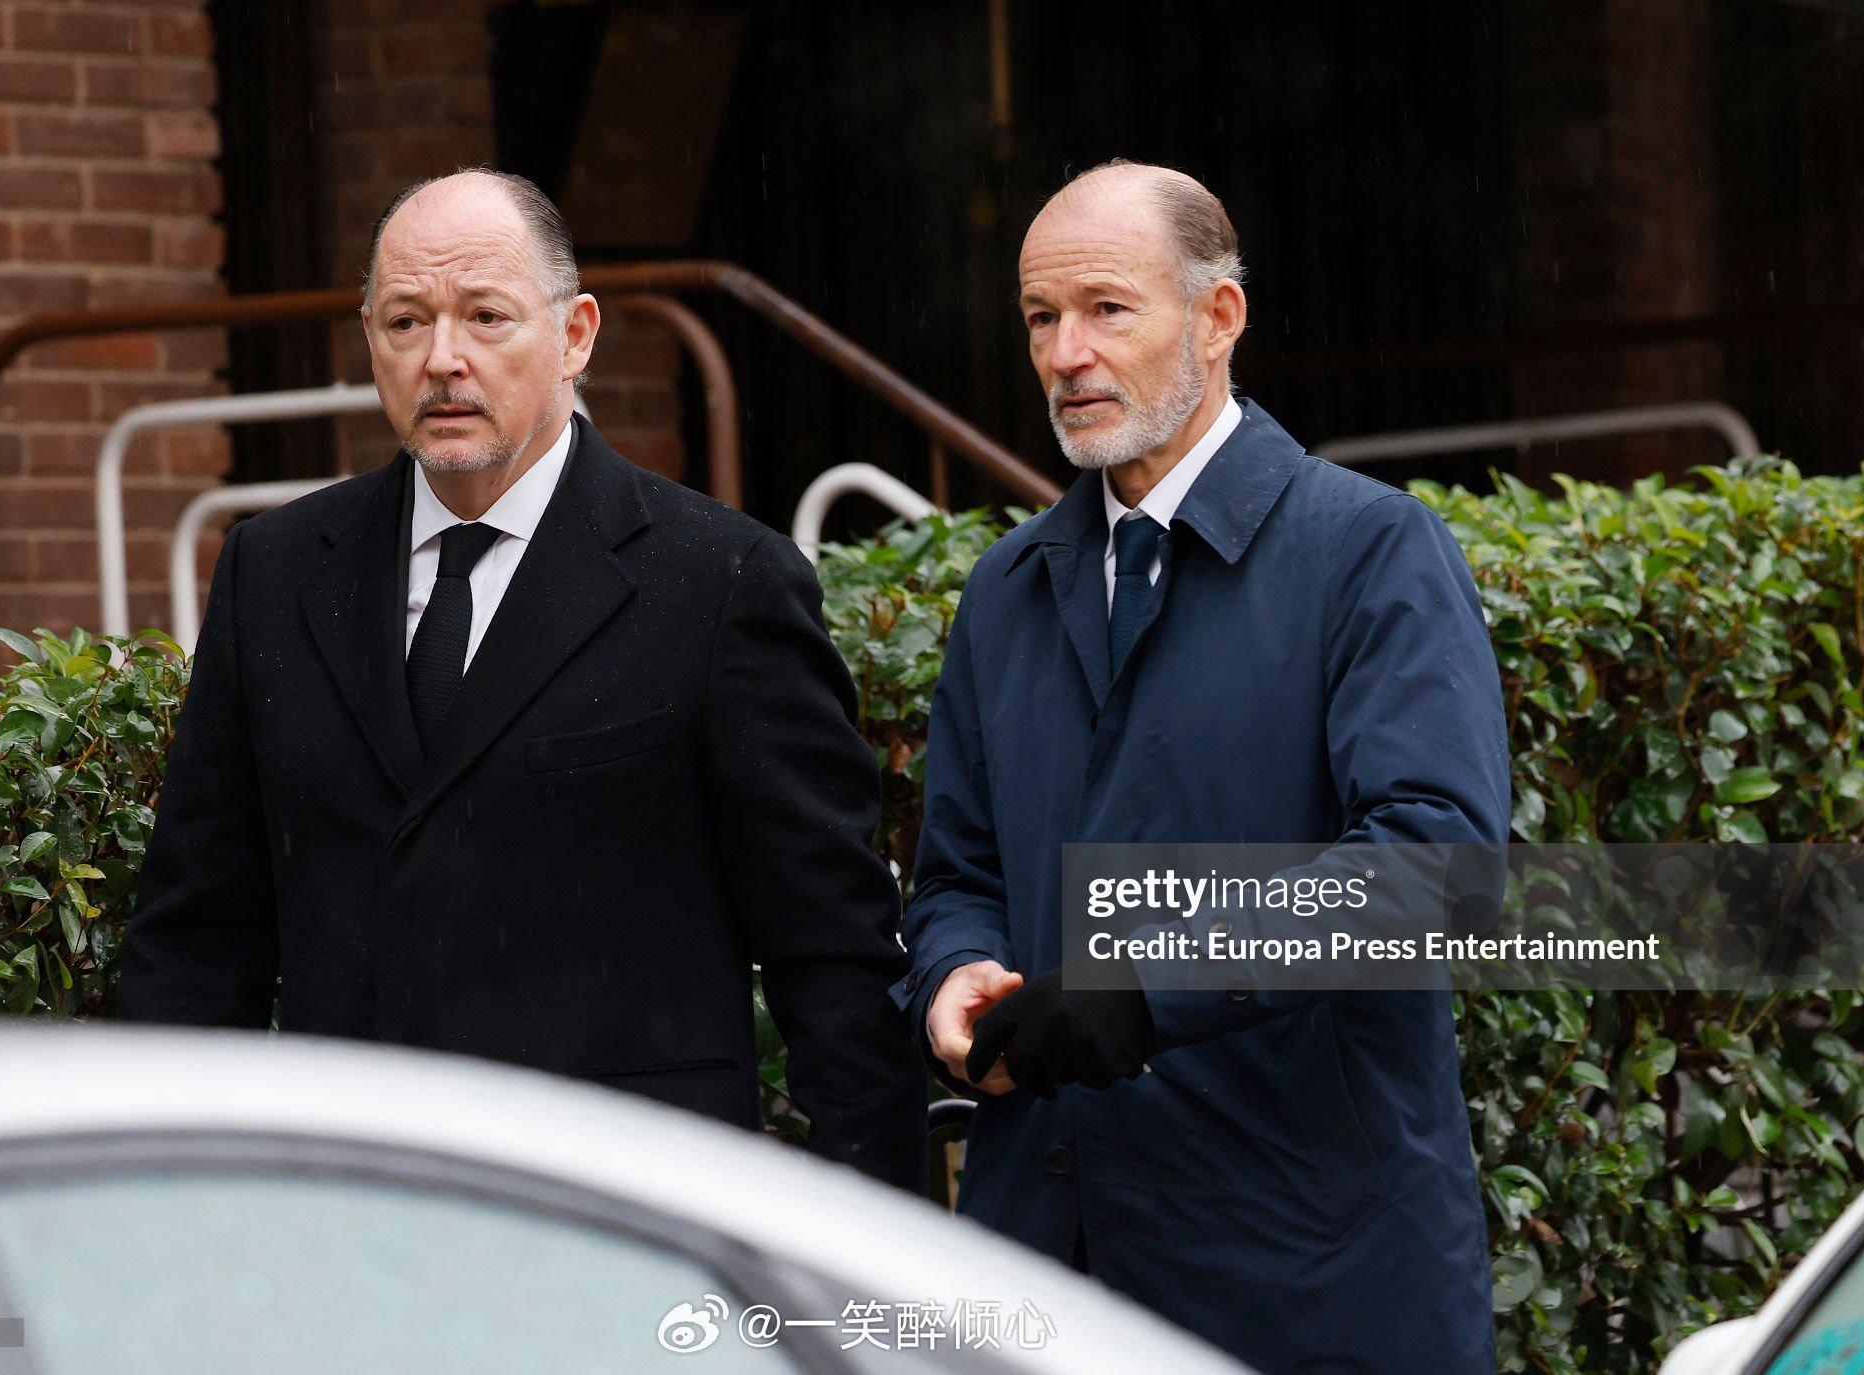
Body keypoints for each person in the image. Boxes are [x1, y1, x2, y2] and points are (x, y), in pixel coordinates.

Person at [119, 169, 926, 1193]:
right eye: (406, 321)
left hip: (623, 1210)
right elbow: (197, 938)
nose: (441, 359)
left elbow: (833, 953)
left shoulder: (720, 581)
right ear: (369, 338)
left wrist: (872, 1228)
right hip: (352, 1206)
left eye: (485, 316)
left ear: (574, 334)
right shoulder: (272, 572)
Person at [897, 160, 1510, 1370]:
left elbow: (1436, 872)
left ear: (1217, 316)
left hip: (1309, 1273)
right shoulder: (1004, 589)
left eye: (1105, 309)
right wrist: (953, 970)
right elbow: (957, 870)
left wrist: (1138, 982)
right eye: (1039, 317)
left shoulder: (1370, 551)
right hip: (1046, 1269)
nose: (1065, 353)